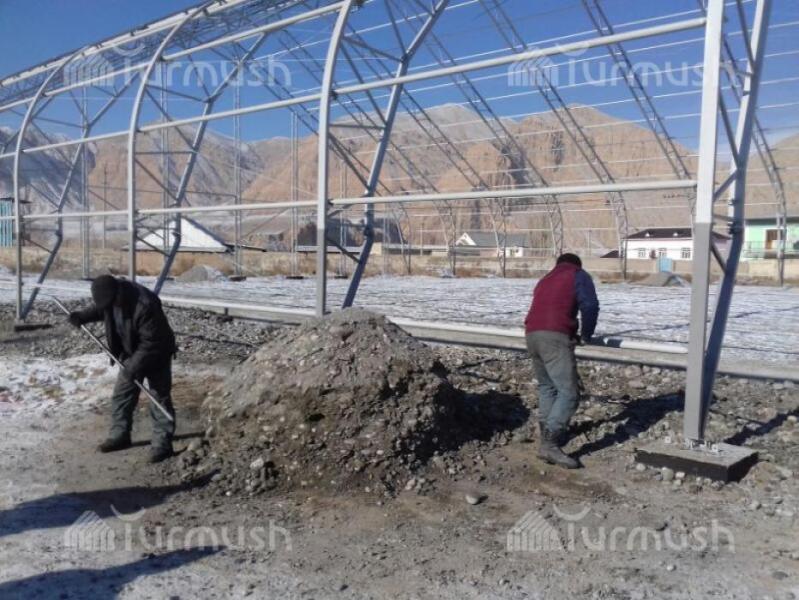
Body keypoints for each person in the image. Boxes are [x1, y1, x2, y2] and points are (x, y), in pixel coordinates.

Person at [68, 275, 178, 463]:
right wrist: (82, 316)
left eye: (111, 302)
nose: (110, 306)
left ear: (118, 292)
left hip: (157, 352)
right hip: (131, 351)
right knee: (122, 394)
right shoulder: (111, 298)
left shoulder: (145, 304)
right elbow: (100, 308)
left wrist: (132, 367)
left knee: (159, 396)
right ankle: (120, 435)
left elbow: (151, 342)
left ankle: (162, 444)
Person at [524, 253, 599, 469]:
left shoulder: (545, 279)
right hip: (554, 336)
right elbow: (590, 306)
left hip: (532, 334)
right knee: (569, 393)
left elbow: (550, 306)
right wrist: (586, 335)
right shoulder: (577, 274)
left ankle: (546, 435)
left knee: (547, 387)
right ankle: (550, 444)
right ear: (577, 264)